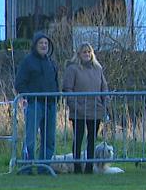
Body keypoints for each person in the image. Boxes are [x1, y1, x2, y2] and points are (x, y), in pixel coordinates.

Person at [61, 42, 109, 173]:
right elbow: (67, 88)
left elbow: (104, 87)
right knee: (78, 138)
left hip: (95, 110)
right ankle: (77, 166)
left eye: (89, 52)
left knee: (92, 139)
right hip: (79, 111)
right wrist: (74, 105)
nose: (87, 54)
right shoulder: (72, 69)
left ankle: (89, 167)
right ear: (79, 54)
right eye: (84, 52)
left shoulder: (98, 69)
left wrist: (105, 104)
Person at [14, 33, 59, 170]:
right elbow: (19, 83)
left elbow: (55, 82)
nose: (44, 45)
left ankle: (44, 168)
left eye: (46, 43)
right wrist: (30, 97)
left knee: (49, 139)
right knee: (30, 139)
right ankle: (26, 167)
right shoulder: (27, 62)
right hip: (34, 105)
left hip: (51, 105)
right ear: (35, 45)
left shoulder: (51, 62)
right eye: (41, 43)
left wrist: (57, 97)